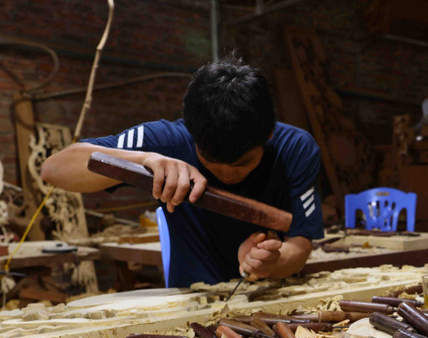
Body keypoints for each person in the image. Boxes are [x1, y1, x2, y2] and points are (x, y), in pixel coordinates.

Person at [42, 58, 322, 287]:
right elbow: (54, 168)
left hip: (274, 298)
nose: (227, 175)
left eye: (241, 164)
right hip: (191, 302)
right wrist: (145, 159)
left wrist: (269, 262)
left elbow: (300, 244)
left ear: (268, 135)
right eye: (211, 162)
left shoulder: (294, 148)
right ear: (192, 131)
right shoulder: (168, 141)